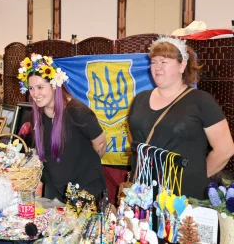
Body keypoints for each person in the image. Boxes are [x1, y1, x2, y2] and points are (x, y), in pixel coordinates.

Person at [128, 36, 234, 199]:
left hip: (184, 196)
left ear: (182, 65)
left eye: (164, 62)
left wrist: (194, 176)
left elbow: (225, 149)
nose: (157, 67)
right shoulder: (140, 98)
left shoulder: (201, 101)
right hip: (143, 191)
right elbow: (135, 137)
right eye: (154, 62)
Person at [18, 53, 107, 202]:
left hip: (84, 189)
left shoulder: (76, 111)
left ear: (54, 85)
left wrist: (83, 166)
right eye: (31, 88)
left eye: (40, 87)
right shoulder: (37, 114)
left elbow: (101, 143)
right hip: (55, 189)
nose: (35, 94)